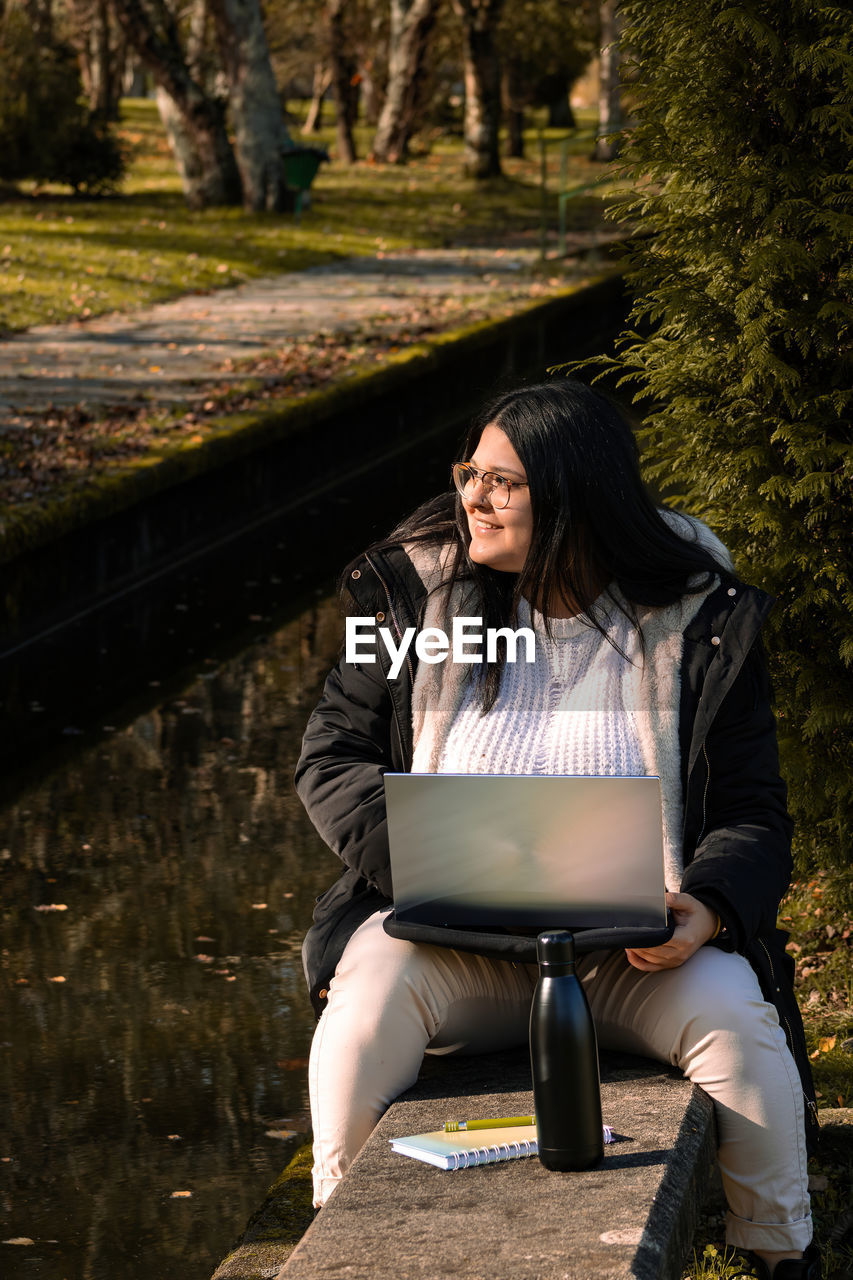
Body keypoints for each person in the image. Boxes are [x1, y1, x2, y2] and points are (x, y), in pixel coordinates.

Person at [295, 380, 819, 1280]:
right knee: (361, 1008)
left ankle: (779, 1256)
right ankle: (337, 1250)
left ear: (575, 496)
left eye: (502, 483)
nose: (472, 498)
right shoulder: (412, 599)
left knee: (740, 1029)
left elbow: (750, 811)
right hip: (447, 940)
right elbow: (331, 761)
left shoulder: (703, 622)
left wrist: (705, 906)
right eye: (469, 473)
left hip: (633, 952)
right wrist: (427, 859)